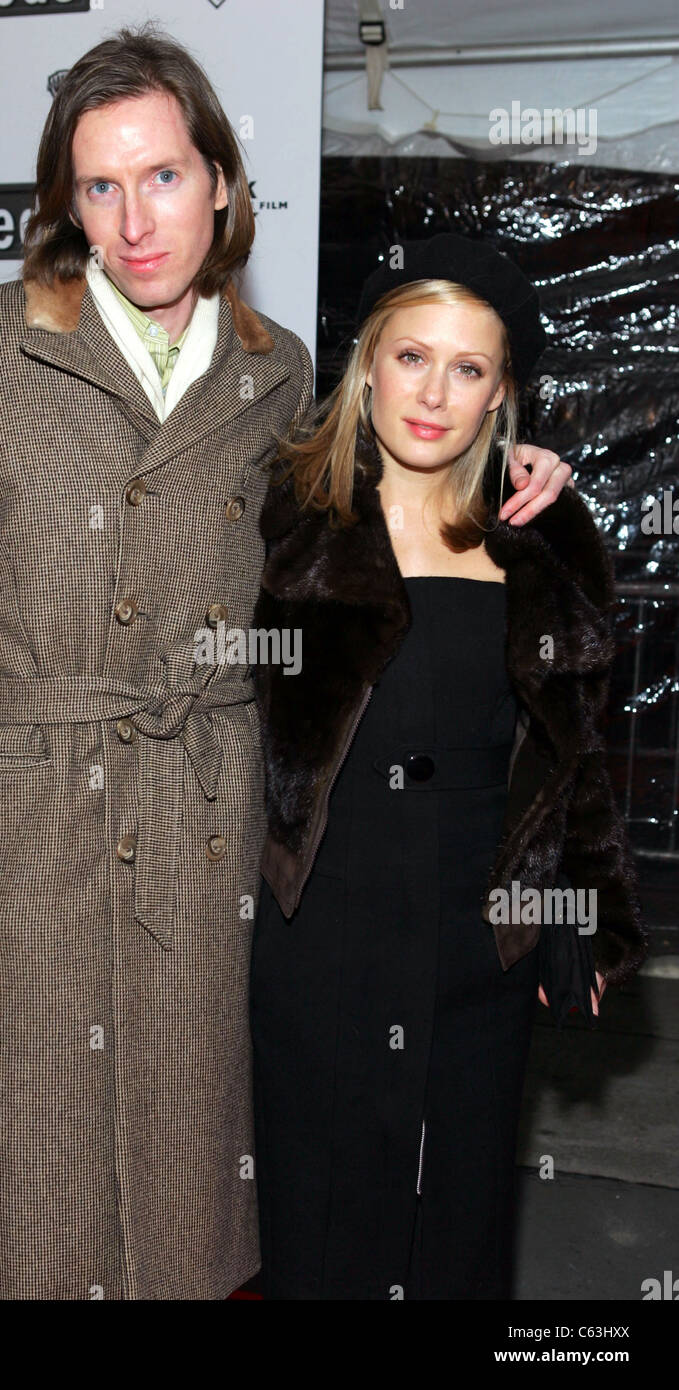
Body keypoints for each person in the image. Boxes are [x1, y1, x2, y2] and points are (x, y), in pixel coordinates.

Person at [0, 24, 574, 1301]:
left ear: (224, 184)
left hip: (207, 817)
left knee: (195, 1183)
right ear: (64, 202)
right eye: (100, 184)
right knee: (41, 1185)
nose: (136, 220)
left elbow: (381, 498)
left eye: (165, 176)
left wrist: (525, 465)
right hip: (32, 826)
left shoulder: (275, 370)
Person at [250, 233, 648, 1301]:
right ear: (367, 363)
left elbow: (573, 747)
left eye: (466, 369)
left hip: (482, 938)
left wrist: (577, 901)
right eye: (410, 357)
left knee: (458, 1232)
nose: (432, 393)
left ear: (499, 393)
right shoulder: (285, 513)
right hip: (316, 933)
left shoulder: (541, 533)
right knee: (320, 1226)